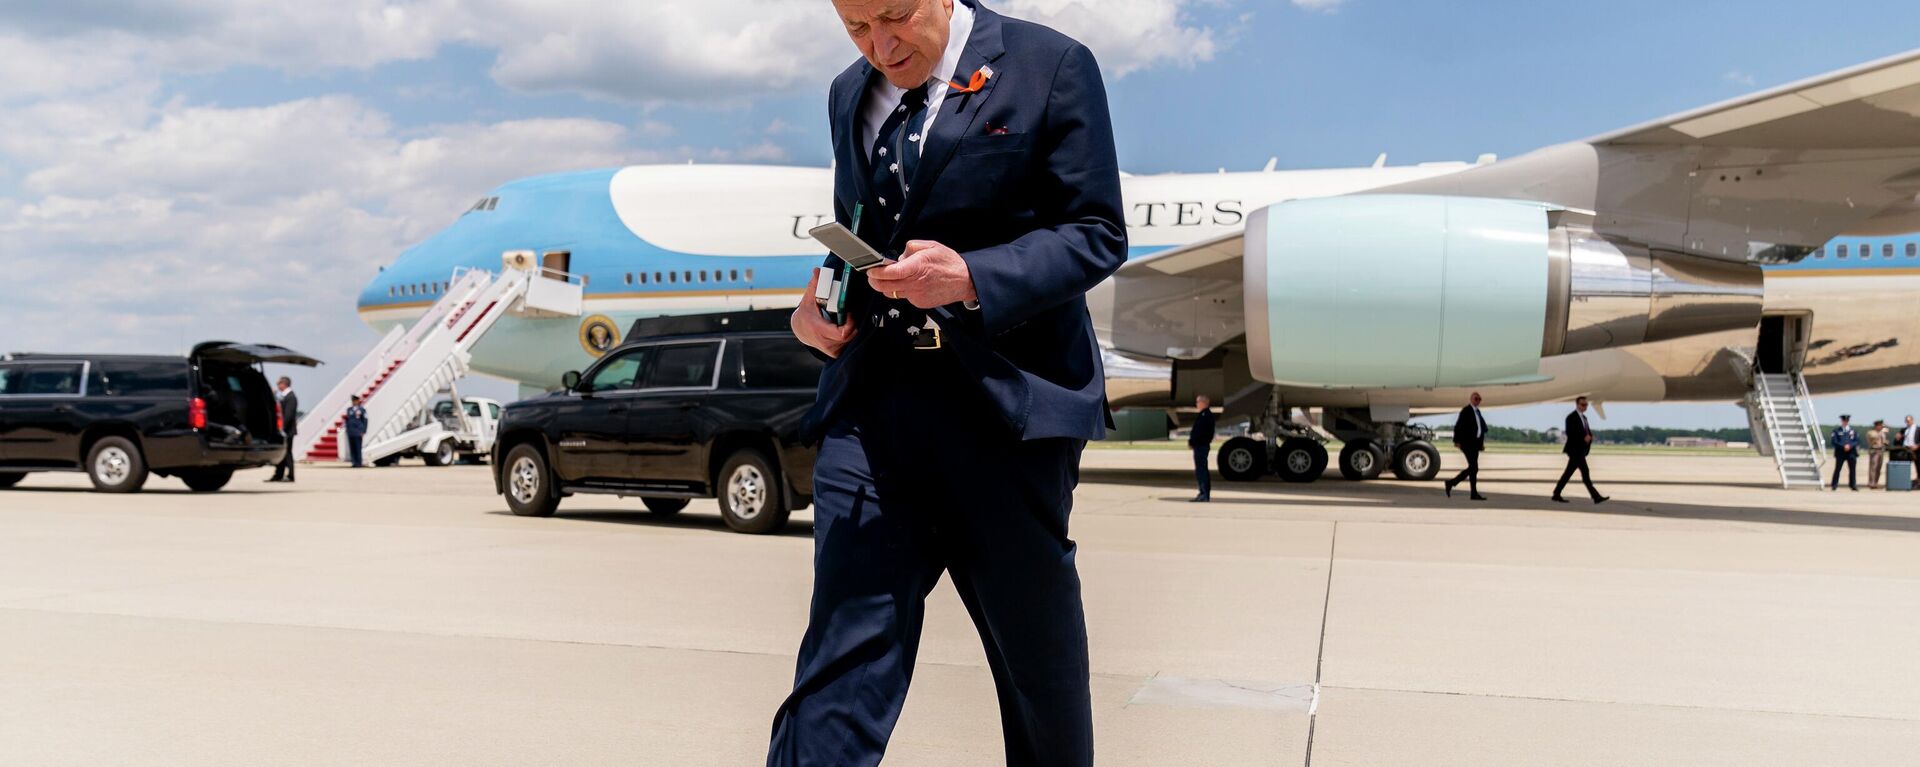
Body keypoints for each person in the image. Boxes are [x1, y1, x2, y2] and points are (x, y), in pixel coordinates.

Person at [769, 1, 1126, 764]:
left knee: (1035, 668)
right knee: (839, 658)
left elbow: (1096, 232)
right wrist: (817, 306)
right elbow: (860, 228)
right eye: (857, 28)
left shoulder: (1051, 66)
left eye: (896, 16)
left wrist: (972, 276)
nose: (881, 44)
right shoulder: (848, 93)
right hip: (874, 409)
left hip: (1003, 411)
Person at [1552, 396, 1608, 504]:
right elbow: (1570, 433)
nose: (1585, 407)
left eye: (1586, 405)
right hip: (1575, 450)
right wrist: (1583, 437)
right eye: (1582, 404)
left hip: (1581, 450)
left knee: (1569, 473)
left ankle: (1556, 493)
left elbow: (1587, 431)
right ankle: (1596, 497)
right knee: (1585, 474)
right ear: (1577, 405)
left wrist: (1590, 437)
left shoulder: (1584, 418)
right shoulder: (1571, 417)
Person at [1445, 391, 1489, 500]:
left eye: (1479, 399)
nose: (1477, 401)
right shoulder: (1466, 411)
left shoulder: (1478, 412)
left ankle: (1473, 493)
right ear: (1471, 399)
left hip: (1475, 444)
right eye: (1475, 399)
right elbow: (1458, 426)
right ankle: (1451, 483)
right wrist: (1456, 440)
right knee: (1474, 467)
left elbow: (1481, 429)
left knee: (1473, 469)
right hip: (1467, 443)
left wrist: (1481, 444)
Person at [268, 376, 299, 482]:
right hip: (284, 430)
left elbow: (288, 415)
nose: (278, 386)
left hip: (287, 430)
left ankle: (290, 475)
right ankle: (279, 474)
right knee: (282, 453)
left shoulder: (291, 397)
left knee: (287, 453)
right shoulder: (283, 396)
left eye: (279, 384)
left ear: (284, 384)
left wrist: (281, 428)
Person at [1189, 394, 1216, 503]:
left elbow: (1203, 432)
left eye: (1198, 402)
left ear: (1203, 403)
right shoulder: (1203, 415)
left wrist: (1195, 441)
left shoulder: (1206, 415)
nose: (1196, 404)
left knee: (1202, 470)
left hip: (1201, 446)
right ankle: (1202, 492)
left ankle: (1204, 494)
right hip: (1199, 445)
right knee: (1200, 470)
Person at [1830, 414, 1859, 491]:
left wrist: (1849, 446)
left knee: (1852, 470)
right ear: (1842, 421)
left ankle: (1853, 485)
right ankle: (1834, 485)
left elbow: (1856, 441)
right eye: (1844, 420)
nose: (1845, 422)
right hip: (1840, 453)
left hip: (1851, 453)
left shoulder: (1853, 431)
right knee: (1838, 469)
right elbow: (1834, 441)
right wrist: (1843, 446)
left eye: (1847, 420)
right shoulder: (1836, 431)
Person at [343, 395, 369, 469]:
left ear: (358, 401)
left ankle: (359, 462)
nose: (354, 402)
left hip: (358, 432)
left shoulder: (362, 410)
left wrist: (363, 430)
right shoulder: (349, 410)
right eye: (353, 401)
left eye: (355, 400)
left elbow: (365, 420)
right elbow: (347, 420)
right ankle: (354, 462)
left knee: (358, 448)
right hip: (351, 432)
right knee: (352, 448)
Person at [1867, 419, 1889, 488]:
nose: (1881, 427)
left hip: (1881, 451)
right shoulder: (1871, 432)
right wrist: (1881, 433)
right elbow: (1874, 439)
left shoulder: (1882, 433)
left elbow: (1883, 441)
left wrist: (1886, 442)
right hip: (1874, 450)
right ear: (1877, 425)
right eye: (1880, 425)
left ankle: (1876, 482)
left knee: (1879, 468)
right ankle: (1871, 483)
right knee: (1873, 467)